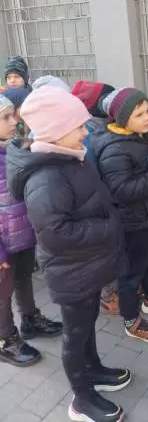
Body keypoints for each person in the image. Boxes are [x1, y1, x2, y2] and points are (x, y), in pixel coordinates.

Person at [6, 87, 129, 422]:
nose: (86, 132)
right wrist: (108, 227)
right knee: (75, 335)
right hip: (71, 271)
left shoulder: (70, 156)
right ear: (56, 132)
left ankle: (94, 369)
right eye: (78, 127)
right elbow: (56, 233)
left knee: (87, 324)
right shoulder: (46, 178)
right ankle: (82, 400)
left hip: (86, 265)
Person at [91, 88, 148, 343]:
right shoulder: (114, 149)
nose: (147, 117)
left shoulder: (146, 137)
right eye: (139, 114)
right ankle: (131, 320)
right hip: (133, 222)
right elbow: (122, 190)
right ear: (122, 118)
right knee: (131, 272)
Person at [0, 94, 62, 367]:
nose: (14, 121)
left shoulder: (12, 148)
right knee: (2, 293)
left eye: (13, 115)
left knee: (23, 278)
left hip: (22, 234)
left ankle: (30, 319)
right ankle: (6, 339)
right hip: (3, 244)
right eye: (5, 117)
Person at [72, 80, 119, 315]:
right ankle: (108, 294)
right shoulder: (86, 133)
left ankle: (113, 288)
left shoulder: (107, 126)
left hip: (111, 199)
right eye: (106, 100)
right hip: (97, 202)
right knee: (103, 251)